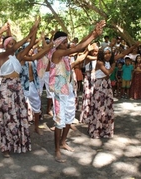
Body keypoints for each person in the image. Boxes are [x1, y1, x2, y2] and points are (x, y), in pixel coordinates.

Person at [48, 20, 106, 163]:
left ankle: (63, 142)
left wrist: (93, 32)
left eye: (66, 42)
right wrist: (94, 34)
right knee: (59, 121)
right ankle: (57, 150)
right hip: (58, 92)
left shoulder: (64, 56)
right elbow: (78, 47)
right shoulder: (57, 53)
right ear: (58, 43)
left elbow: (80, 45)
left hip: (68, 91)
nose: (66, 44)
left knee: (69, 118)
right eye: (64, 42)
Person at [0, 21, 39, 157]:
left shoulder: (19, 57)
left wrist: (34, 31)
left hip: (17, 86)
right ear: (6, 45)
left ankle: (19, 143)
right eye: (11, 43)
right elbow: (15, 47)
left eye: (14, 43)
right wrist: (29, 34)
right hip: (6, 87)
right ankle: (6, 147)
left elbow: (31, 45)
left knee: (20, 114)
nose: (13, 45)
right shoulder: (1, 55)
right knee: (7, 116)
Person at [87, 42, 140, 139]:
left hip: (107, 85)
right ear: (102, 54)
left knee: (107, 108)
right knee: (100, 108)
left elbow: (123, 54)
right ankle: (96, 131)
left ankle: (105, 130)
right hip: (100, 86)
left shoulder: (110, 61)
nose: (107, 55)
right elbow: (107, 72)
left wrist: (133, 46)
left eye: (109, 53)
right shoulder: (100, 62)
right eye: (105, 53)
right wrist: (113, 66)